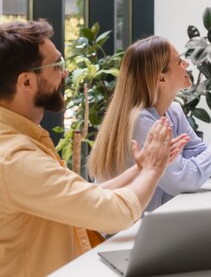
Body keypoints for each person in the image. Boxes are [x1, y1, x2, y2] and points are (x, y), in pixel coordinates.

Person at [0, 20, 188, 277]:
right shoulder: (15, 159)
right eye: (57, 66)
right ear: (26, 82)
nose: (64, 74)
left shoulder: (19, 141)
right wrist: (153, 171)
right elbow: (115, 214)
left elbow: (83, 196)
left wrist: (141, 168)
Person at [88, 36, 211, 211]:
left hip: (151, 226)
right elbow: (185, 180)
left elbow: (210, 169)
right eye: (179, 61)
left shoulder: (173, 112)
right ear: (161, 78)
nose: (187, 64)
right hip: (125, 232)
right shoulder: (140, 121)